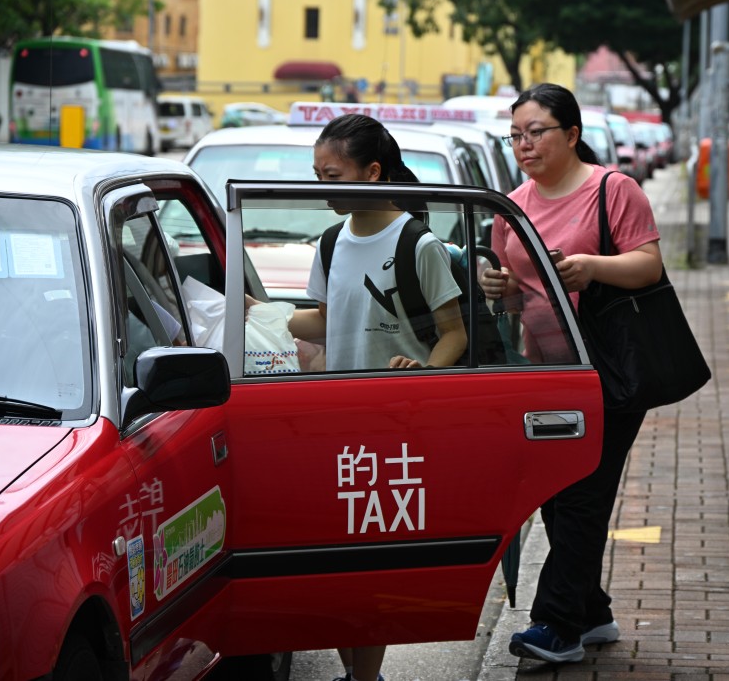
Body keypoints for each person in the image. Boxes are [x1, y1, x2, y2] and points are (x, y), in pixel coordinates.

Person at [267, 113, 467, 681]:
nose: (321, 188)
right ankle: (357, 674)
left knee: (373, 561)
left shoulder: (416, 243)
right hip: (335, 417)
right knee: (333, 559)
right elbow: (327, 323)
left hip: (391, 423)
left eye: (331, 176)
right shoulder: (331, 242)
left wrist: (423, 371)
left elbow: (454, 332)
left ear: (372, 173)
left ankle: (363, 677)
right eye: (316, 176)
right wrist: (261, 319)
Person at [481, 83, 662, 664]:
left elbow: (648, 264)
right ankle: (593, 612)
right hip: (545, 374)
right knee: (555, 496)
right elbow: (516, 301)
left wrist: (594, 268)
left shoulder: (613, 190)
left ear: (573, 135)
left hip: (608, 369)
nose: (524, 144)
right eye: (516, 135)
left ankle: (556, 626)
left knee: (582, 492)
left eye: (537, 132)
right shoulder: (511, 207)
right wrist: (500, 290)